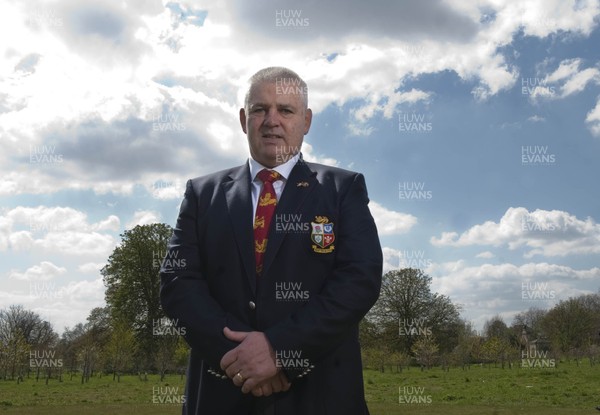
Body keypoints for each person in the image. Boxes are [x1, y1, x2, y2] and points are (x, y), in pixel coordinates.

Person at [160, 66, 383, 414]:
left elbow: (358, 281)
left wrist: (280, 350)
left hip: (318, 395)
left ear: (306, 121)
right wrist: (239, 357)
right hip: (222, 393)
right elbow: (177, 281)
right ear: (242, 119)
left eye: (286, 110)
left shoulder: (343, 189)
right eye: (260, 109)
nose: (271, 120)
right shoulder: (202, 194)